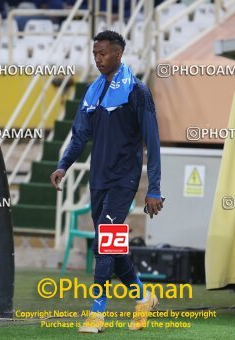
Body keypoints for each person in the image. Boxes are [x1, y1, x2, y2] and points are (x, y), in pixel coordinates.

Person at [50, 30, 164, 333]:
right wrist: (63, 165)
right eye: (95, 53)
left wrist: (154, 188)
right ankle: (143, 297)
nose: (98, 58)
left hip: (124, 180)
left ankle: (97, 314)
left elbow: (152, 142)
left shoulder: (138, 91)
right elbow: (79, 136)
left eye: (103, 53)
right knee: (112, 248)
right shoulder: (91, 91)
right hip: (97, 178)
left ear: (119, 54)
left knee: (105, 245)